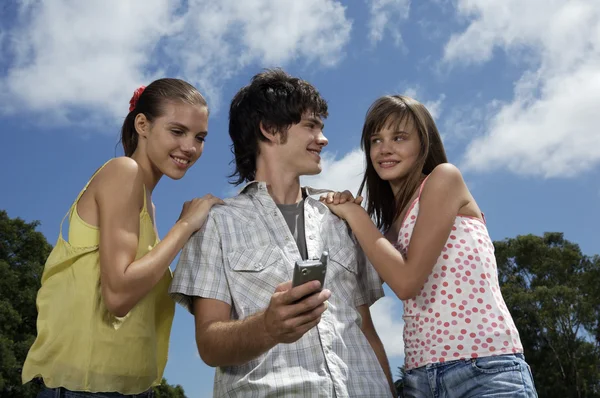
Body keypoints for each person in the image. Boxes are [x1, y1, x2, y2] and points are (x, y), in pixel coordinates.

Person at [169, 69, 396, 397]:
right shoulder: (215, 223)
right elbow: (209, 343)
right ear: (270, 129)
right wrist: (268, 326)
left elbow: (368, 332)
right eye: (311, 125)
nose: (323, 138)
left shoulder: (342, 217)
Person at [320, 94, 538, 397]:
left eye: (399, 137)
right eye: (375, 140)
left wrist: (356, 216)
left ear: (423, 143)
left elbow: (407, 282)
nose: (385, 149)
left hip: (485, 371)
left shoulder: (444, 180)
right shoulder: (389, 230)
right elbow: (353, 291)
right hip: (419, 380)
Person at [22, 78, 223, 397]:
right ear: (142, 124)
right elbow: (118, 297)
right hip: (88, 388)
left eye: (199, 137)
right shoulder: (123, 172)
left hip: (126, 387)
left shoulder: (148, 205)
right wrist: (185, 226)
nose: (190, 147)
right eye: (177, 131)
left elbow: (145, 290)